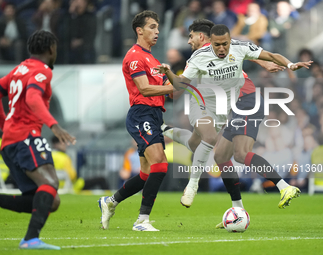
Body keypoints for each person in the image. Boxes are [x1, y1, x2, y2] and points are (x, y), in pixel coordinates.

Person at [157, 21, 311, 224]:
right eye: (218, 44)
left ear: (203, 37)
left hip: (246, 102)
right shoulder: (200, 57)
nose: (189, 41)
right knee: (220, 155)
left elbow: (259, 53)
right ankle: (238, 210)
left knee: (239, 154)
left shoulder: (233, 48)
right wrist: (167, 77)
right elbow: (181, 84)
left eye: (191, 36)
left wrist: (288, 64)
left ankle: (284, 187)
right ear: (211, 41)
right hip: (229, 106)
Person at [0, 30, 76, 250]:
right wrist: (53, 124)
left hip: (11, 142)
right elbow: (33, 97)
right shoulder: (42, 71)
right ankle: (30, 239)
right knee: (50, 184)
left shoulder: (19, 70)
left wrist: (5, 125)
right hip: (26, 138)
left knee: (50, 200)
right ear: (51, 49)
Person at [98, 10, 173, 232]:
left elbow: (169, 92)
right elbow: (144, 88)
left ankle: (110, 202)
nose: (157, 31)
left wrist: (171, 76)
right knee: (160, 164)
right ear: (139, 30)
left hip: (155, 115)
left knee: (146, 173)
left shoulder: (154, 60)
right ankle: (142, 220)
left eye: (158, 28)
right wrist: (172, 86)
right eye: (152, 27)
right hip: (142, 113)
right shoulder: (134, 56)